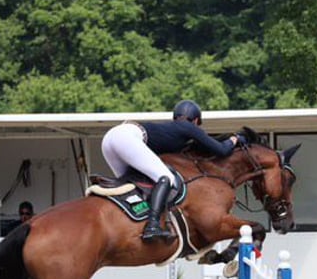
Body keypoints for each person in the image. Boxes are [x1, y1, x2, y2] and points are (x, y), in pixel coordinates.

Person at [101, 99, 244, 242]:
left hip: (110, 138)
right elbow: (221, 150)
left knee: (132, 185)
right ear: (195, 120)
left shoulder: (173, 130)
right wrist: (234, 139)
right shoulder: (188, 127)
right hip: (127, 138)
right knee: (166, 178)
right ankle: (152, 226)